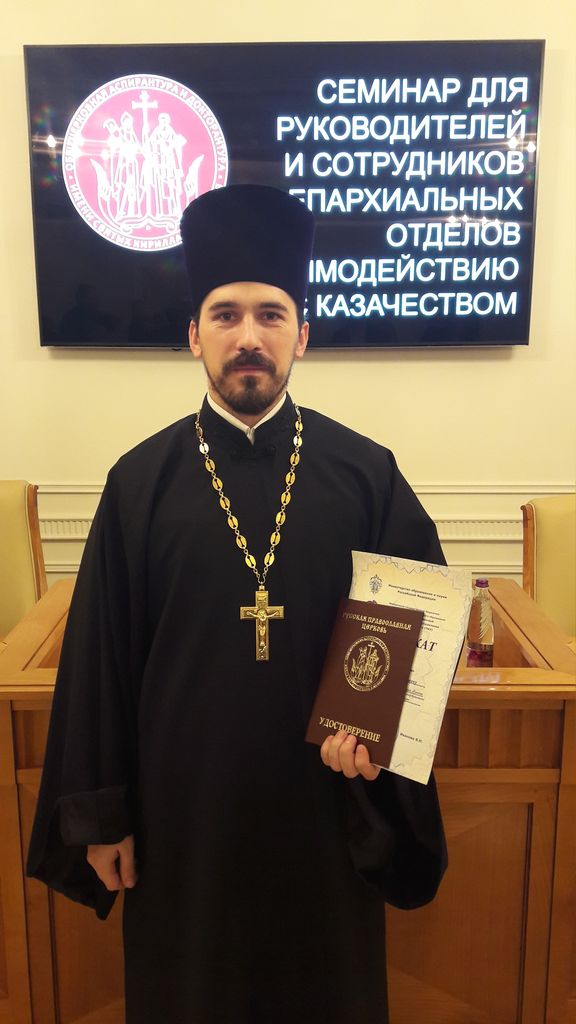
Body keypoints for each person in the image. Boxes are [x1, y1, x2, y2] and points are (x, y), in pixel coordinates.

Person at [27, 184, 447, 1024]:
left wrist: (378, 739)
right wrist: (103, 816)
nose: (248, 335)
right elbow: (100, 660)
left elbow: (416, 632)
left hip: (325, 811)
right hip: (183, 818)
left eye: (270, 314)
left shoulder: (366, 475)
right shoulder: (139, 484)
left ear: (301, 334)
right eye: (225, 315)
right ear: (194, 334)